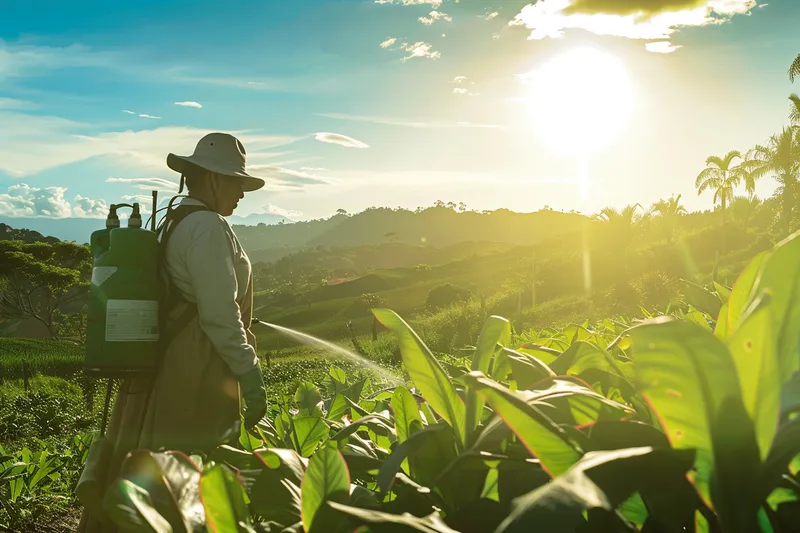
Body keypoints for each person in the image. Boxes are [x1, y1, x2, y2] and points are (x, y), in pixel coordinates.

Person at [76, 132, 269, 532]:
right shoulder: (208, 227)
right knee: (186, 470)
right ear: (213, 179)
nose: (242, 193)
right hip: (194, 365)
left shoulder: (173, 221)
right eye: (236, 182)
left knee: (146, 457)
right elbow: (219, 314)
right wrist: (249, 375)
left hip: (166, 355)